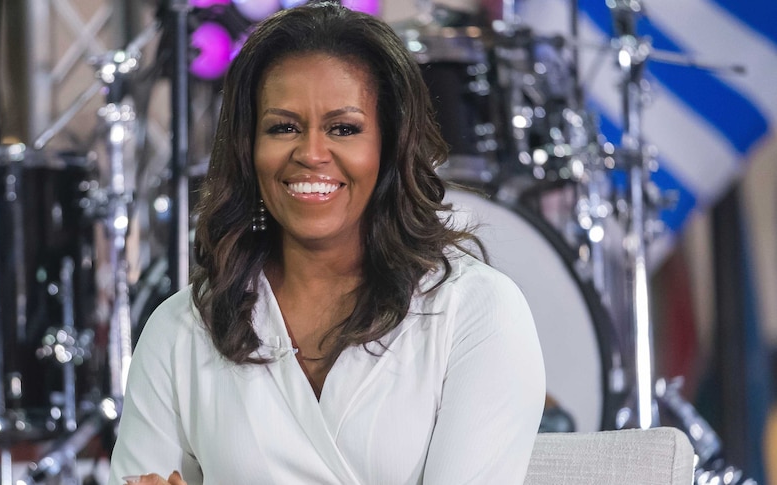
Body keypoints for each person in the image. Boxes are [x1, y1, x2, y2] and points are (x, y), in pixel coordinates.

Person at [108, 3, 545, 484]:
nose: (311, 153)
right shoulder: (180, 330)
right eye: (283, 128)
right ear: (248, 148)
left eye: (343, 128)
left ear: (390, 145)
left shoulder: (478, 312)